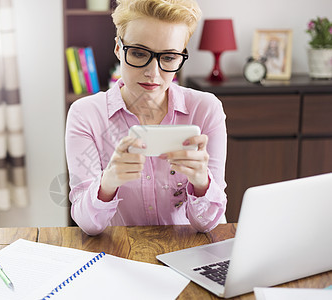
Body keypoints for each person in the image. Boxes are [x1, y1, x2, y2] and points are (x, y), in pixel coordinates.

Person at [65, 0, 227, 236]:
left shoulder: (206, 109)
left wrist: (202, 182)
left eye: (169, 58)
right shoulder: (85, 114)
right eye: (139, 54)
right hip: (121, 254)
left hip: (188, 252)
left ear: (181, 56)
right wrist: (108, 182)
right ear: (119, 48)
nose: (153, 73)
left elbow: (207, 224)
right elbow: (88, 225)